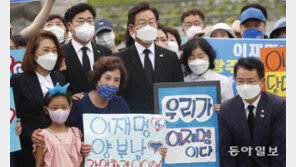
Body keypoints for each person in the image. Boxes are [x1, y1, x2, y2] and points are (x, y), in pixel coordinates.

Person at [114, 2, 183, 114]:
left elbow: (179, 90)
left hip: (165, 120)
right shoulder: (119, 59)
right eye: (142, 23)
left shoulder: (170, 57)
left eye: (151, 22)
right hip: (133, 122)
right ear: (132, 28)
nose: (148, 27)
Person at [10, 31, 67, 166]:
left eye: (54, 50)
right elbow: (14, 116)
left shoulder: (60, 78)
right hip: (30, 151)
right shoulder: (19, 80)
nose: (51, 54)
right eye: (45, 50)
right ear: (34, 54)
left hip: (58, 149)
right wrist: (29, 134)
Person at [219, 57, 286, 167]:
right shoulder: (227, 109)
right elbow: (226, 151)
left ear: (262, 82)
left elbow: (281, 149)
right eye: (240, 81)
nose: (245, 86)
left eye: (250, 81)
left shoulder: (277, 106)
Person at [62, 3, 112, 95]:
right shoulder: (61, 53)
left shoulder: (105, 52)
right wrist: (69, 96)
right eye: (80, 21)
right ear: (69, 26)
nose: (86, 25)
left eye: (90, 21)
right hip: (75, 106)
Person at [72, 56, 130, 132]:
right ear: (97, 79)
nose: (111, 84)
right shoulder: (79, 104)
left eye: (116, 80)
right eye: (107, 78)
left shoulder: (120, 104)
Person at [34, 83, 83, 167]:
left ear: (70, 108)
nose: (60, 111)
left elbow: (80, 160)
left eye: (64, 107)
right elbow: (39, 164)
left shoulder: (75, 133)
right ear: (46, 110)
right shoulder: (42, 135)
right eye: (55, 108)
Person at [181, 37, 234, 112]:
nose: (197, 61)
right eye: (192, 58)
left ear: (209, 56)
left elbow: (231, 108)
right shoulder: (183, 82)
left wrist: (223, 109)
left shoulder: (222, 81)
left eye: (201, 56)